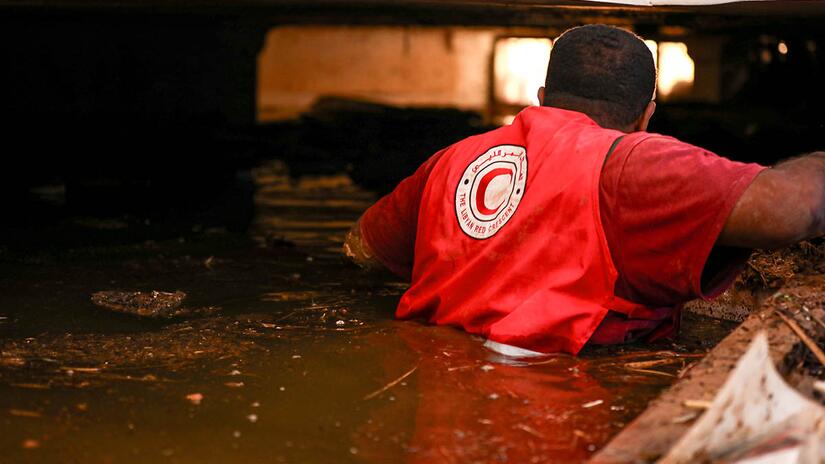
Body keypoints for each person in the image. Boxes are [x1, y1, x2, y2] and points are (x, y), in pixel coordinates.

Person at [342, 24, 825, 355]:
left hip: (435, 384)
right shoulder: (637, 164)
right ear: (646, 116)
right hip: (562, 395)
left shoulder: (450, 160)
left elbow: (361, 246)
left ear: (543, 100)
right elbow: (794, 210)